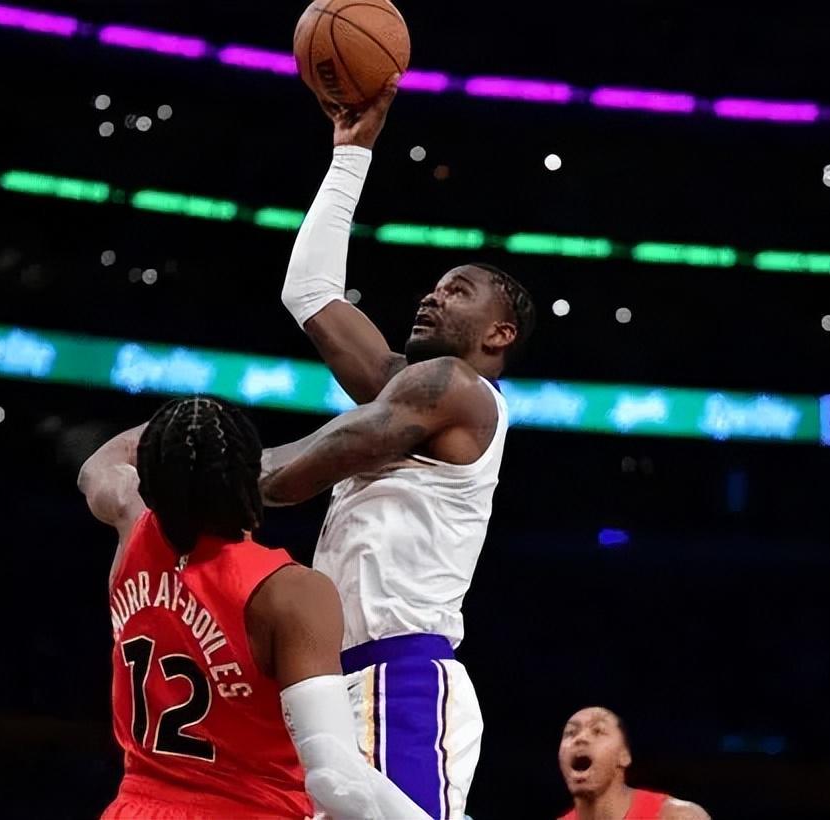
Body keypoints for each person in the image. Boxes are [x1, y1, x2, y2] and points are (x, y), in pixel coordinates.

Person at [260, 77, 537, 819]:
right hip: (336, 685)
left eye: (458, 290)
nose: (432, 295)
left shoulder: (457, 389)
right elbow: (309, 293)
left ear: (499, 334)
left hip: (398, 680)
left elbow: (290, 478)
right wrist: (350, 155)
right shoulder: (408, 390)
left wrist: (204, 471)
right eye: (436, 286)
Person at [78, 396, 428, 819]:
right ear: (252, 477)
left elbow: (96, 466)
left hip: (134, 809)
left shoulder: (131, 524)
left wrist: (180, 429)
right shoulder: (288, 593)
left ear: (150, 484)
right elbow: (336, 778)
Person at [557, 707, 710, 820]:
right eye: (570, 732)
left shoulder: (677, 816)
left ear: (624, 756)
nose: (580, 739)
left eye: (598, 731)